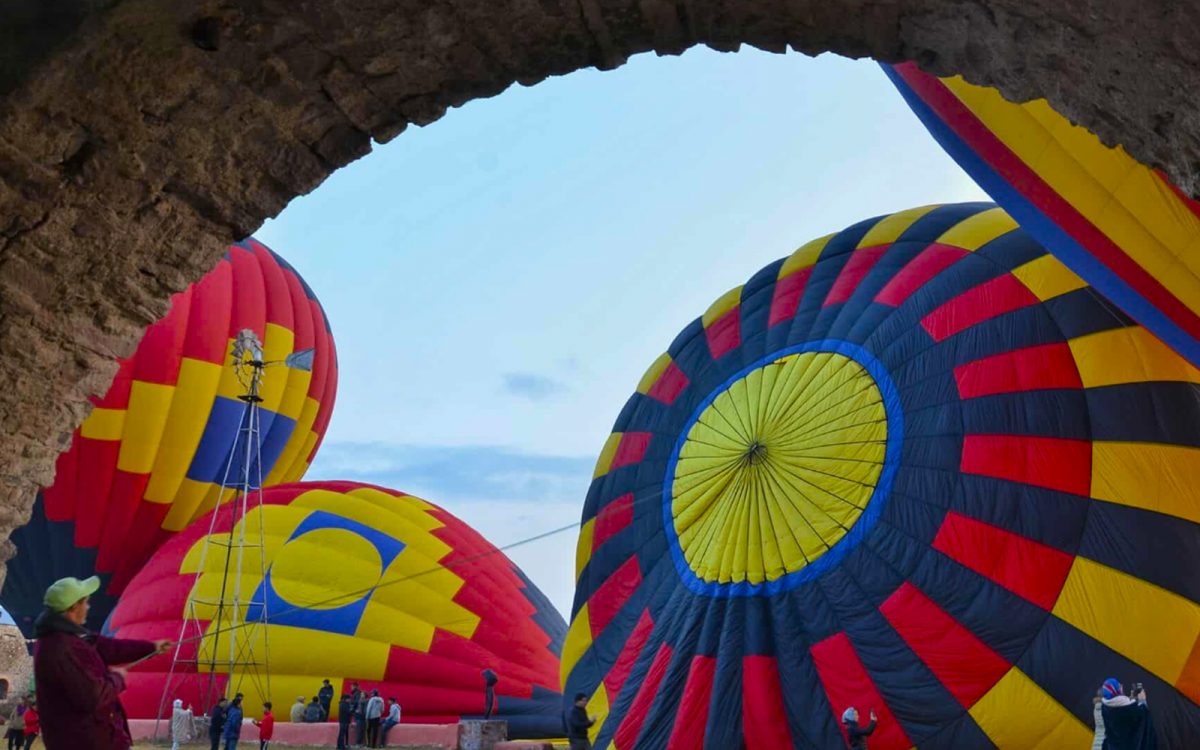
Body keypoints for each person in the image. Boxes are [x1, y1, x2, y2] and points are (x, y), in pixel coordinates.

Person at [31, 575, 169, 750]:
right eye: (86, 603)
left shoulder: (73, 637)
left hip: (94, 737)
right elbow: (93, 696)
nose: (88, 607)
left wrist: (151, 647)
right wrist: (117, 678)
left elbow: (112, 648)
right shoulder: (62, 648)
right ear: (74, 607)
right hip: (85, 741)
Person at [1099, 678, 1156, 750]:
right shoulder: (1131, 709)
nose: (1121, 686)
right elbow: (1145, 717)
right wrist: (1142, 700)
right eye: (1119, 686)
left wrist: (1131, 700)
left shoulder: (1104, 707)